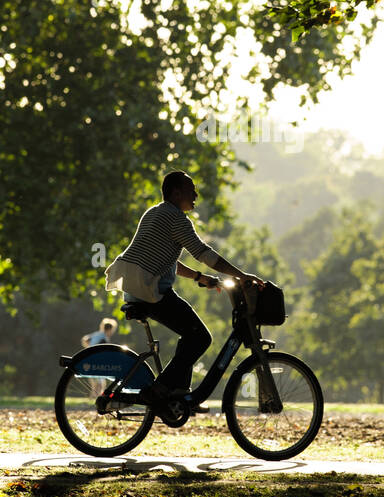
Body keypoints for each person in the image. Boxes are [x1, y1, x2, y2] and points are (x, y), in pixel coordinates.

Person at [105, 170, 264, 405]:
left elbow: (169, 260)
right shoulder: (176, 218)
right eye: (192, 190)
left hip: (134, 287)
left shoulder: (154, 213)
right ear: (177, 192)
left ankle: (179, 393)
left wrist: (200, 277)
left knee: (190, 334)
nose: (196, 195)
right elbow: (204, 253)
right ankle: (160, 389)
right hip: (151, 291)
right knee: (200, 337)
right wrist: (242, 276)